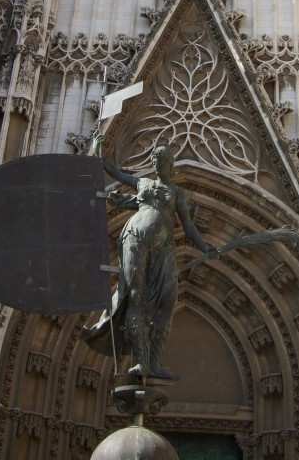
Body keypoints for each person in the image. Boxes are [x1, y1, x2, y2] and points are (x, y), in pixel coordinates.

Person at [83, 139, 216, 379]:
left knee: (168, 297)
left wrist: (205, 248)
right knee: (136, 296)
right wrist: (99, 148)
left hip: (163, 245)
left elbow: (188, 225)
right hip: (134, 237)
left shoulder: (177, 193)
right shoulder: (142, 182)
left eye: (161, 160)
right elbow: (115, 172)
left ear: (170, 164)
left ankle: (153, 362)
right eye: (154, 159)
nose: (156, 163)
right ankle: (141, 362)